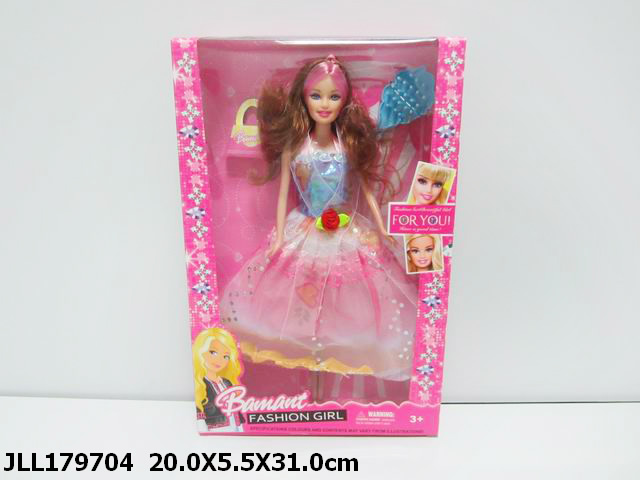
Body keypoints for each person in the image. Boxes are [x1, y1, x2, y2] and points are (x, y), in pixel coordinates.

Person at [220, 55, 418, 389]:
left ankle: (337, 364)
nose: (324, 104)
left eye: (333, 96)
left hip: (344, 227)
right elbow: (284, 193)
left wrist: (382, 227)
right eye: (317, 95)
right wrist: (279, 237)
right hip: (305, 226)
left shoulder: (347, 145)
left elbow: (366, 187)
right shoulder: (296, 146)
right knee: (296, 292)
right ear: (304, 97)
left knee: (349, 297)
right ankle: (309, 373)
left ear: (344, 101)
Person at [192, 328, 244, 432]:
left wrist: (240, 428)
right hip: (215, 431)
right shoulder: (200, 385)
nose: (220, 360)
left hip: (236, 431)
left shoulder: (227, 382)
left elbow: (235, 410)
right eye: (213, 352)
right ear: (201, 351)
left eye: (226, 356)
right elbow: (200, 416)